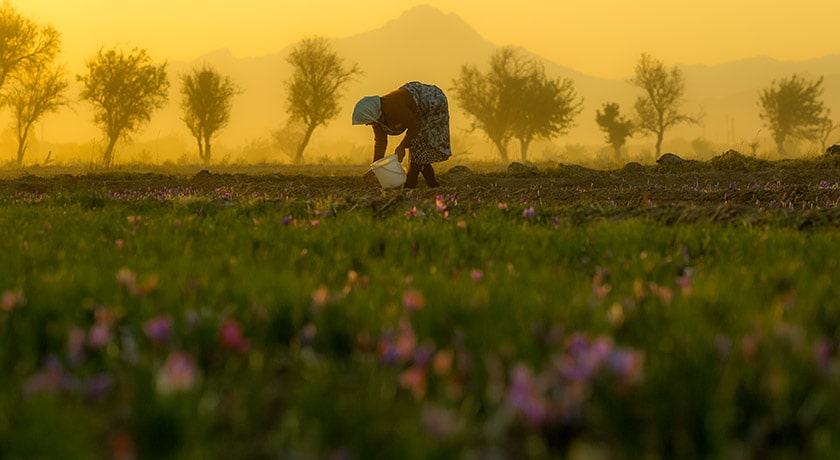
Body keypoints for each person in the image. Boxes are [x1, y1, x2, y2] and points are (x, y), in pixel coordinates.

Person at [352, 81, 452, 188]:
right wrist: (375, 168)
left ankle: (410, 186)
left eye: (367, 121)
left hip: (432, 102)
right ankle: (433, 185)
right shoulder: (377, 120)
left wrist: (402, 146)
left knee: (418, 147)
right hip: (418, 110)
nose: (367, 124)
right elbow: (380, 143)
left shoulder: (392, 107)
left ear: (371, 114)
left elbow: (414, 126)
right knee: (419, 150)